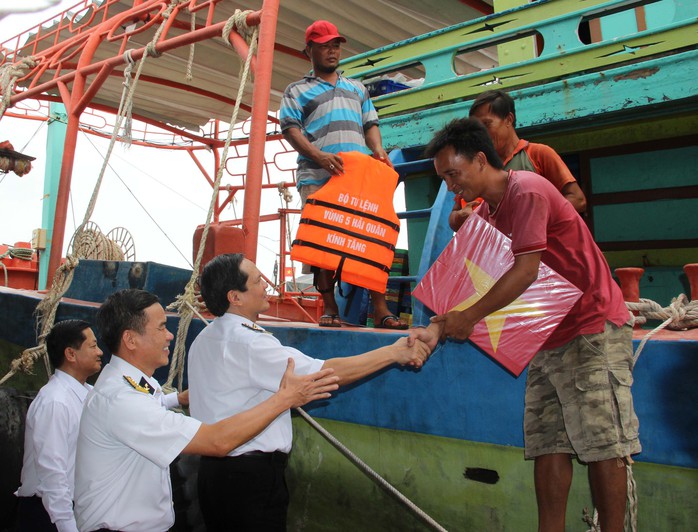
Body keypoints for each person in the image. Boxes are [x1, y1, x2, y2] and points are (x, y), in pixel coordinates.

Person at [412, 118, 640, 532]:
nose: (449, 187)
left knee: (603, 444)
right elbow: (469, 266)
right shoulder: (490, 206)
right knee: (547, 443)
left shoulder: (529, 190)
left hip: (591, 329)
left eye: (453, 174)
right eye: (443, 178)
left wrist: (466, 318)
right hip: (545, 335)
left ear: (481, 160)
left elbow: (526, 272)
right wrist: (440, 324)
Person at [188, 253, 430, 531]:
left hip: (210, 476)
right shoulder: (250, 343)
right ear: (235, 297)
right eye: (257, 281)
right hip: (248, 480)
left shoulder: (203, 339)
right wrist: (394, 352)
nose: (265, 285)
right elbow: (325, 374)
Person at [73, 289, 339, 532]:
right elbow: (217, 441)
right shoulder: (122, 399)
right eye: (161, 327)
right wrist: (284, 399)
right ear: (130, 339)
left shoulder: (137, 385)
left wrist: (179, 398)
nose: (169, 335)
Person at [280, 20, 407, 329]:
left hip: (358, 178)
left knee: (368, 239)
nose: (332, 50)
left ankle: (380, 309)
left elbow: (370, 124)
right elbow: (290, 129)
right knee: (321, 242)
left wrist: (378, 150)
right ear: (309, 50)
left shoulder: (357, 88)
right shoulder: (296, 90)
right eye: (324, 45)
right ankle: (330, 307)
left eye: (335, 44)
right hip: (317, 177)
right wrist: (319, 156)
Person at [449, 89, 587, 231]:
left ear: (509, 119)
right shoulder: (474, 166)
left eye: (487, 124)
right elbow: (454, 216)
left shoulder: (538, 154)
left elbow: (578, 200)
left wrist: (532, 219)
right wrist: (459, 217)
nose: (480, 134)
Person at [15, 320, 102, 532]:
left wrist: (175, 399)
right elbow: (52, 472)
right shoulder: (55, 402)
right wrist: (66, 525)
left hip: (71, 508)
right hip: (49, 514)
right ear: (71, 354)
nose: (100, 352)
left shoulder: (90, 393)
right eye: (92, 346)